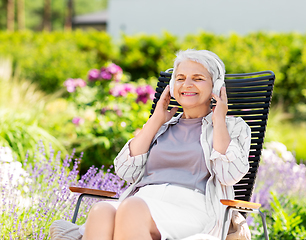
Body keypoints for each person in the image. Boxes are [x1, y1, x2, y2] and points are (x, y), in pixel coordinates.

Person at [80, 49, 252, 240]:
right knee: (101, 210)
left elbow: (229, 175)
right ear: (171, 85)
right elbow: (125, 171)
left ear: (216, 85)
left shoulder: (233, 127)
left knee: (132, 207)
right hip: (144, 200)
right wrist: (156, 119)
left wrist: (218, 120)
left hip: (192, 207)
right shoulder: (162, 126)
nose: (187, 84)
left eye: (198, 78)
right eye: (180, 78)